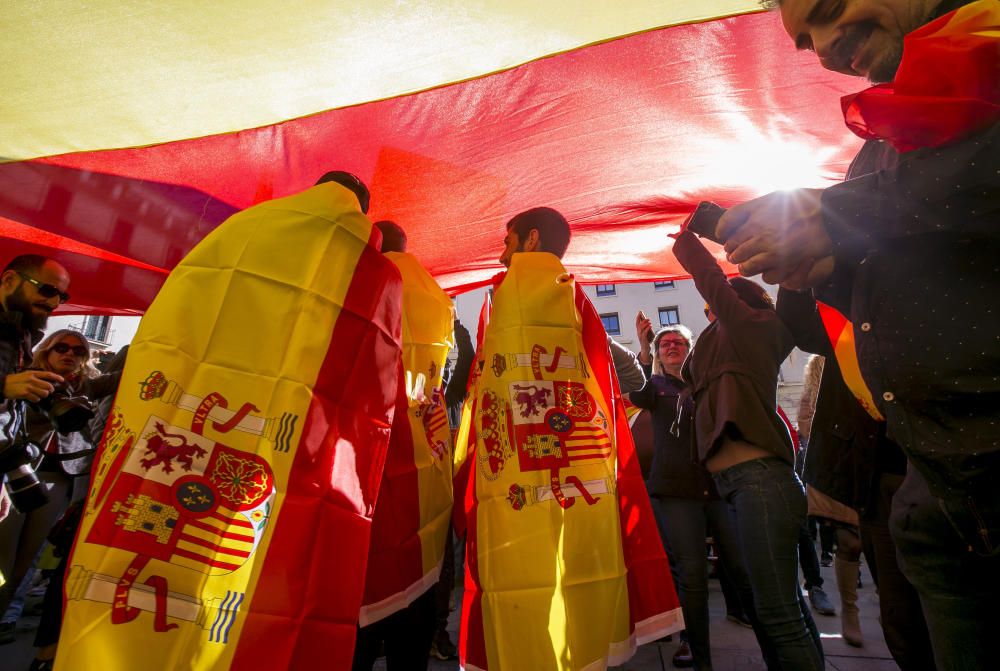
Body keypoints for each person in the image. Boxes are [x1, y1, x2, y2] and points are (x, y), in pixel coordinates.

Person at [719, 2, 1000, 667]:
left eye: (829, 10)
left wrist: (837, 216)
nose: (824, 47)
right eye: (805, 41)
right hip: (935, 499)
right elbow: (860, 313)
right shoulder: (880, 148)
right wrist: (817, 269)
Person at [454, 207, 680, 671]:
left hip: (523, 483)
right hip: (566, 482)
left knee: (525, 591)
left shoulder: (510, 303)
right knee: (576, 582)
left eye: (508, 241)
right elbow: (621, 375)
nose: (501, 254)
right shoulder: (576, 304)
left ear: (531, 239)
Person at [671, 227, 823, 670]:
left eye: (714, 309)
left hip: (761, 483)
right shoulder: (726, 348)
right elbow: (693, 378)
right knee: (781, 607)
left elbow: (712, 281)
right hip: (738, 488)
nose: (709, 315)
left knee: (778, 613)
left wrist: (686, 241)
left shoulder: (755, 328)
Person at [353, 220, 456, 671]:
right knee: (415, 598)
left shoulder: (367, 279)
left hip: (370, 455)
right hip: (427, 452)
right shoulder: (434, 294)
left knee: (363, 595)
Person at [629, 318, 759, 671]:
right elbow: (636, 392)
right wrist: (643, 350)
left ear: (691, 350)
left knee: (741, 567)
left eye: (679, 343)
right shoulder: (654, 386)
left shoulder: (708, 383)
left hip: (719, 488)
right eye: (665, 344)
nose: (672, 346)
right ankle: (697, 652)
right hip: (676, 493)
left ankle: (775, 647)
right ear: (658, 354)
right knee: (692, 575)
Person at [0, 255, 69, 644]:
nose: (54, 303)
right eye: (46, 290)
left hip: (8, 464)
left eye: (62, 295)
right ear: (10, 279)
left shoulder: (21, 333)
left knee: (8, 570)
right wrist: (4, 386)